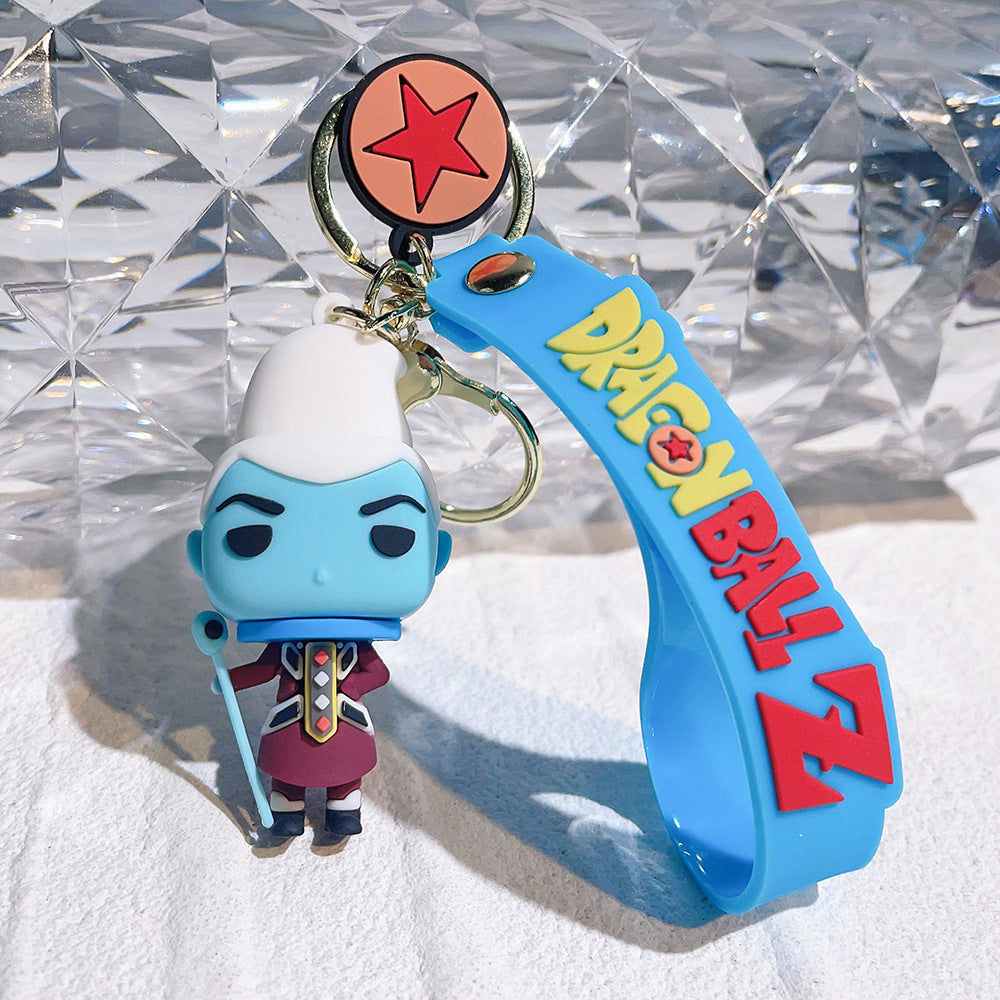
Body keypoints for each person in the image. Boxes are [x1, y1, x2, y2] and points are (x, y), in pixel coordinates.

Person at [187, 293, 450, 838]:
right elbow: (266, 669)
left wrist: (353, 689)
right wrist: (229, 678)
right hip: (290, 724)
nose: (323, 574)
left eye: (391, 537)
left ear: (438, 556)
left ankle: (343, 809)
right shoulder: (292, 649)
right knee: (285, 769)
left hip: (345, 724)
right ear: (200, 555)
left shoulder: (353, 650)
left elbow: (376, 673)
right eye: (251, 537)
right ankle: (286, 812)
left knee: (344, 771)